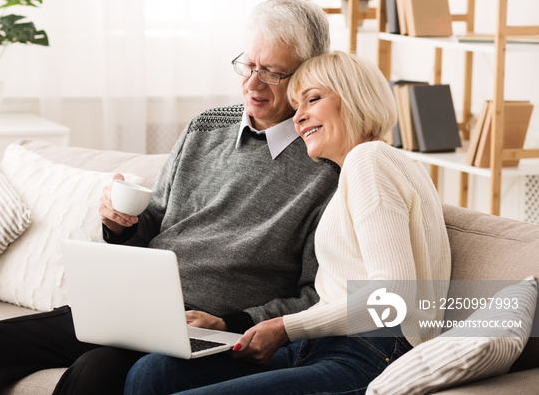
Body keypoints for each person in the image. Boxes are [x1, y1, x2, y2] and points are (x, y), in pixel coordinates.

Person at [0, 0, 340, 395]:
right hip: (131, 306)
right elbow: (155, 221)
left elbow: (315, 295)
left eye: (273, 73)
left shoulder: (326, 164)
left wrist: (232, 323)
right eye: (248, 65)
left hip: (206, 326)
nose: (252, 84)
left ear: (307, 75)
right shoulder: (207, 126)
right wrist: (121, 223)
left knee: (95, 373)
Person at [123, 51, 453, 395]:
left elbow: (392, 300)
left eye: (312, 99)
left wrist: (284, 327)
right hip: (320, 345)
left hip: (369, 352)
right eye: (297, 107)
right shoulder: (364, 169)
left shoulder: (368, 160)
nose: (299, 118)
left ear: (355, 97)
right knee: (154, 372)